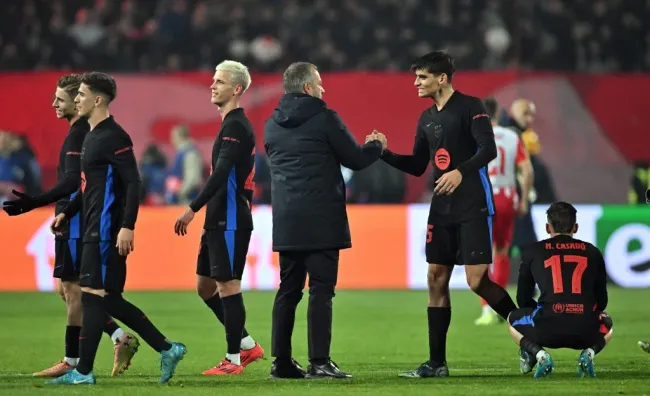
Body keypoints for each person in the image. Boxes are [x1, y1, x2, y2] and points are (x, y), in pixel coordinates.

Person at [374, 51, 518, 378]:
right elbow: (416, 165)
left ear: (441, 78)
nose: (416, 83)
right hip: (442, 208)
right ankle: (436, 363)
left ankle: (528, 336)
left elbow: (488, 150)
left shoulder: (471, 106)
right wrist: (383, 153)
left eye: (422, 77)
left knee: (477, 280)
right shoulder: (426, 119)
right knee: (435, 277)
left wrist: (459, 172)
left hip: (472, 204)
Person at [46, 72, 186, 385]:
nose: (77, 99)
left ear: (98, 99)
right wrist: (67, 212)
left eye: (81, 94)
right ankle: (167, 348)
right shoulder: (92, 136)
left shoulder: (114, 136)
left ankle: (82, 372)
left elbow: (133, 181)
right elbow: (88, 188)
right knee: (107, 299)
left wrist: (127, 227)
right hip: (94, 227)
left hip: (108, 230)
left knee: (93, 296)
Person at [2, 74, 139, 377]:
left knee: (75, 290)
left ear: (83, 101)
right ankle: (119, 337)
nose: (55, 104)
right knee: (67, 290)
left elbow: (73, 182)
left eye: (62, 99)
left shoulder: (80, 136)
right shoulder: (79, 133)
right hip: (72, 218)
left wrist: (35, 202)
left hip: (80, 221)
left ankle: (73, 361)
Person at [265, 62, 385, 379]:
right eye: (318, 83)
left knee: (288, 290)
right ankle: (319, 361)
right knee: (321, 289)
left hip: (287, 218)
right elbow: (356, 159)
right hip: (320, 218)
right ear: (307, 87)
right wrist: (377, 146)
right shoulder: (324, 118)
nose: (323, 89)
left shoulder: (271, 124)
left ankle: (281, 362)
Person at [174, 60, 264, 376]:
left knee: (227, 286)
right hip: (217, 218)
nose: (213, 85)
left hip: (231, 218)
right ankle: (248, 344)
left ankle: (233, 360)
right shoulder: (229, 125)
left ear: (236, 89)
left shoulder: (237, 126)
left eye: (220, 81)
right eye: (213, 80)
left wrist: (191, 208)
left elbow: (221, 173)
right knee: (205, 288)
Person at [508, 201, 613, 378]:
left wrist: (541, 310)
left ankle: (540, 355)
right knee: (608, 322)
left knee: (512, 319)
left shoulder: (533, 251)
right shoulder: (593, 252)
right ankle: (589, 353)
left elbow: (523, 298)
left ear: (548, 228)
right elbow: (602, 301)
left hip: (546, 330)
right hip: (585, 332)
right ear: (576, 227)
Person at [475, 97, 534, 325]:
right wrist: (524, 200)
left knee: (482, 253)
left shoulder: (475, 137)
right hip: (507, 197)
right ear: (498, 113)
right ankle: (500, 308)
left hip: (483, 197)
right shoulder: (512, 137)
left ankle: (486, 310)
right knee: (502, 251)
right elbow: (527, 170)